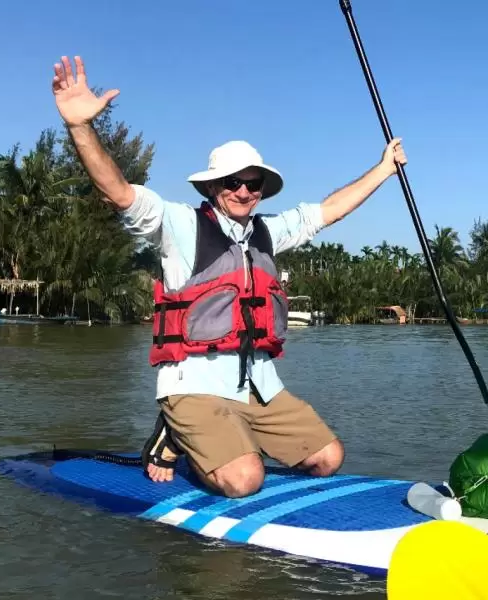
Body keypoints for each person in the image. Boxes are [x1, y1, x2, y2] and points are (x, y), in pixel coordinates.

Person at [51, 55, 406, 498]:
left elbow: (328, 212)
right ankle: (177, 435)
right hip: (194, 383)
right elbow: (119, 193)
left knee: (328, 458)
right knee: (245, 480)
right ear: (211, 186)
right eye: (232, 182)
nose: (243, 191)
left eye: (252, 184)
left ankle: (228, 437)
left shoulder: (267, 231)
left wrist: (385, 170)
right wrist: (80, 127)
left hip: (258, 383)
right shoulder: (180, 225)